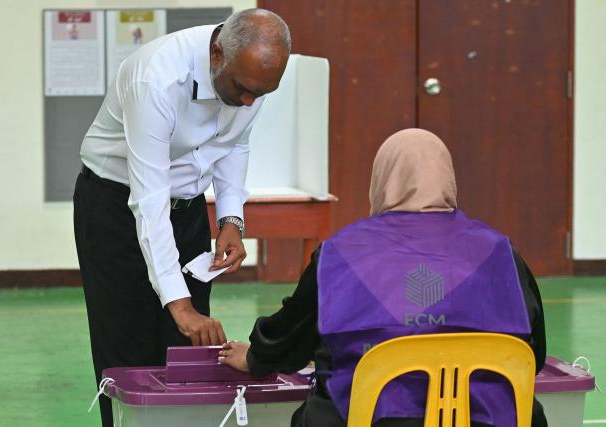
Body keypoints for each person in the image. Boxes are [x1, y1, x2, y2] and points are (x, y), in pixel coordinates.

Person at [220, 129, 547, 427]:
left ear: (382, 179)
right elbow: (534, 351)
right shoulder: (499, 252)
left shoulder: (341, 253)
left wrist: (256, 357)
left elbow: (293, 333)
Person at [73, 9, 290, 427]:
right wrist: (179, 302)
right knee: (128, 347)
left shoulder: (250, 79)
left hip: (187, 209)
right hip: (115, 208)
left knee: (190, 351)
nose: (249, 102)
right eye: (242, 89)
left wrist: (231, 220)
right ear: (215, 54)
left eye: (260, 95)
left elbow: (234, 144)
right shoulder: (155, 77)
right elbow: (148, 198)